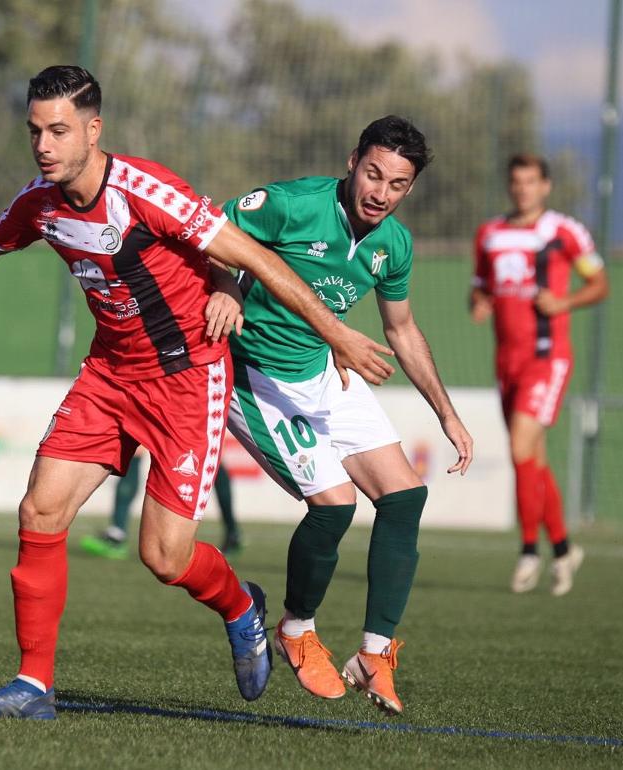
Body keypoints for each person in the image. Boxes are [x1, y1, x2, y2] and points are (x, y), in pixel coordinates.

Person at [0, 65, 395, 721]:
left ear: (94, 130)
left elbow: (256, 257)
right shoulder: (38, 201)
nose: (44, 145)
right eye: (35, 131)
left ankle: (241, 606)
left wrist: (336, 334)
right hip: (109, 374)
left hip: (188, 379)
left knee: (163, 555)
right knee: (39, 512)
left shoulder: (144, 190)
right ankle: (33, 686)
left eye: (59, 130)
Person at [222, 116, 473, 716]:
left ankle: (374, 654)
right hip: (254, 377)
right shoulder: (291, 204)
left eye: (397, 183)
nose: (380, 192)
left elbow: (402, 330)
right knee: (335, 504)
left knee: (406, 495)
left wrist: (447, 415)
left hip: (323, 373)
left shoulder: (396, 245)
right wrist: (224, 288)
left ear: (410, 189)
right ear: (354, 159)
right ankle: (295, 628)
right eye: (373, 173)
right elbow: (208, 228)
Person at [470, 153, 609, 596]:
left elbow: (599, 283)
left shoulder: (563, 232)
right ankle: (564, 549)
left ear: (545, 186)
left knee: (518, 446)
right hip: (506, 360)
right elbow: (480, 287)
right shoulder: (489, 234)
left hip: (547, 357)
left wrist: (566, 302)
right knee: (533, 458)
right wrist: (478, 302)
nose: (523, 189)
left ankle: (530, 549)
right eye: (516, 181)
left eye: (531, 181)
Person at [79, 453, 243, 558]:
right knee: (138, 445)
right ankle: (117, 533)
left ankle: (117, 534)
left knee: (206, 454)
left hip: (192, 401)